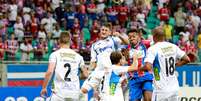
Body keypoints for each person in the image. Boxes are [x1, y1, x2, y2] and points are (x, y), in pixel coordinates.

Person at [139, 27, 190, 101]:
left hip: (161, 90)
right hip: (174, 89)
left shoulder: (153, 49)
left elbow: (148, 67)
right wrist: (175, 65)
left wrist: (138, 68)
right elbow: (187, 59)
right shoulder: (173, 46)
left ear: (154, 36)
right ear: (164, 36)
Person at [81, 23, 129, 100]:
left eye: (106, 30)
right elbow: (93, 61)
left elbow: (127, 43)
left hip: (108, 73)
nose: (103, 32)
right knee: (83, 90)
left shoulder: (113, 40)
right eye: (102, 30)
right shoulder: (94, 45)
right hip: (97, 72)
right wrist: (89, 71)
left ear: (110, 32)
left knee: (103, 97)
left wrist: (119, 35)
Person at [40, 31, 88, 101]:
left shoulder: (55, 54)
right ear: (70, 41)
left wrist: (44, 87)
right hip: (74, 94)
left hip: (59, 94)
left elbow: (50, 71)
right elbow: (86, 74)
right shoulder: (78, 57)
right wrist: (76, 77)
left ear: (59, 41)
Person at [127, 29, 153, 101]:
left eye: (134, 36)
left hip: (146, 76)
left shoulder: (145, 43)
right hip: (134, 78)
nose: (132, 38)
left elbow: (156, 44)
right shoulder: (126, 48)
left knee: (148, 99)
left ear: (138, 36)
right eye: (130, 37)